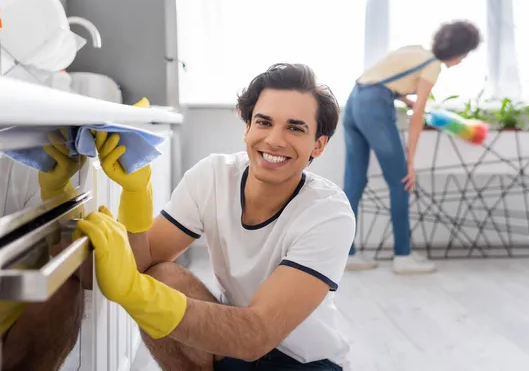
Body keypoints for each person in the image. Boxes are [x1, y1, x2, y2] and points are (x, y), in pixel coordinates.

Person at [81, 63, 355, 370]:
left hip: (304, 362)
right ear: (247, 129)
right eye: (263, 122)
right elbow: (141, 264)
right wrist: (135, 196)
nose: (274, 140)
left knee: (154, 292)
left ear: (318, 144)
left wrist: (134, 293)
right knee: (164, 278)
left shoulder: (328, 213)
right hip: (229, 348)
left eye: (295, 128)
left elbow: (256, 335)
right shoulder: (213, 176)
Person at [343, 20, 481, 273]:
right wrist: (410, 163)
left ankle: (347, 254)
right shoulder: (432, 66)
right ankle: (403, 256)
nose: (461, 61)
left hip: (353, 102)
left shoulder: (414, 50)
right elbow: (417, 117)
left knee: (353, 182)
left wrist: (404, 98)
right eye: (464, 55)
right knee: (401, 181)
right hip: (374, 108)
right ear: (458, 52)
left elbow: (378, 79)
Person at [0, 132, 86, 371]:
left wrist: (59, 193)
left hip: (13, 291)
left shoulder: (34, 151)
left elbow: (83, 273)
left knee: (64, 288)